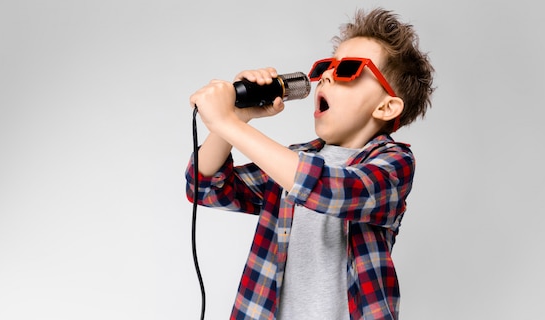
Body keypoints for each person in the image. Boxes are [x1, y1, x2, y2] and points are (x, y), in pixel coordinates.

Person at [185, 7, 434, 320]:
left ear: (386, 106)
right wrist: (237, 118)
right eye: (327, 67)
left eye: (349, 70)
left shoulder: (393, 164)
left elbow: (331, 190)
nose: (327, 76)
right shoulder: (292, 161)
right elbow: (205, 187)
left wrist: (230, 125)